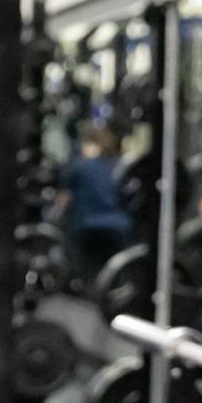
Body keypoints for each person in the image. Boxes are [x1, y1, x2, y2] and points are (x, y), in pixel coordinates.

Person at [56, 122, 135, 286]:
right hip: (119, 228)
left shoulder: (80, 167)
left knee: (88, 272)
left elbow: (64, 201)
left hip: (87, 228)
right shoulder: (120, 166)